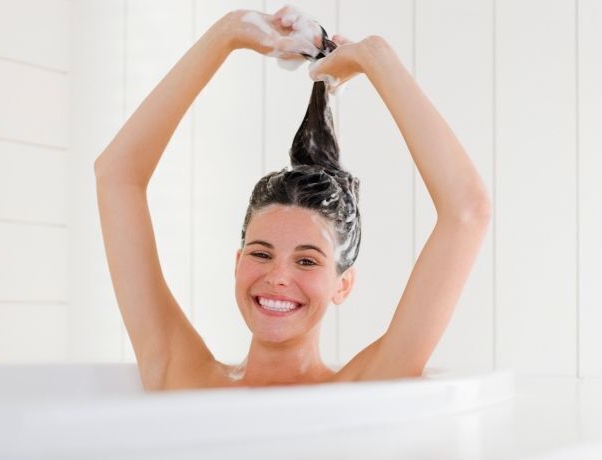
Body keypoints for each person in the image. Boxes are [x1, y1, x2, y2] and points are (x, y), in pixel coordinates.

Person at [94, 6, 491, 391]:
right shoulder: (183, 377)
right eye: (261, 253)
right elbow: (116, 176)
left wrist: (375, 57)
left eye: (306, 260)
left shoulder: (361, 391)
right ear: (237, 263)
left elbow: (467, 211)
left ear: (343, 285)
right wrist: (227, 33)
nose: (278, 277)